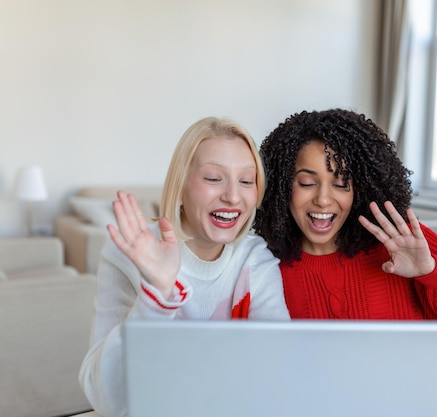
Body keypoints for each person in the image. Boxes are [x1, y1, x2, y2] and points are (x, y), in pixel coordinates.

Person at [79, 117, 290, 417]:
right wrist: (158, 295)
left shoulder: (254, 260)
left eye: (246, 180)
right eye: (214, 178)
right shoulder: (128, 253)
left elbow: (276, 374)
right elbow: (106, 399)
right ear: (180, 188)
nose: (233, 196)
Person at [254, 108, 437, 331]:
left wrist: (431, 271)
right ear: (282, 186)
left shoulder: (399, 241)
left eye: (341, 184)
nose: (323, 199)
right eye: (307, 183)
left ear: (361, 189)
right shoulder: (266, 268)